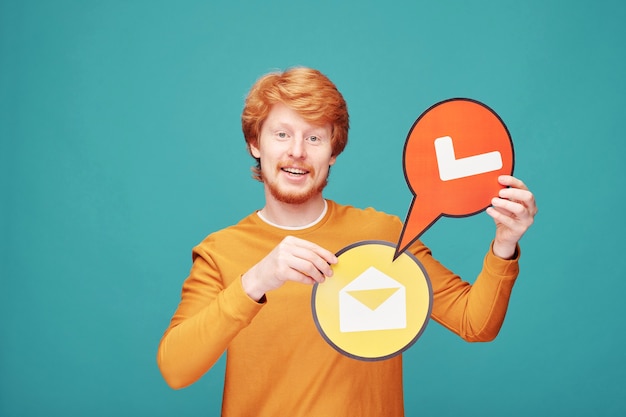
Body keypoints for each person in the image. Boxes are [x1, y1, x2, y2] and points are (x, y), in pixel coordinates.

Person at [157, 67, 537, 417]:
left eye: (315, 137)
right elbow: (175, 369)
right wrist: (257, 280)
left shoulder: (385, 236)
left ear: (333, 152)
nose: (297, 152)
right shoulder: (221, 252)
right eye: (282, 134)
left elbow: (476, 323)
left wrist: (505, 243)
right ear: (256, 144)